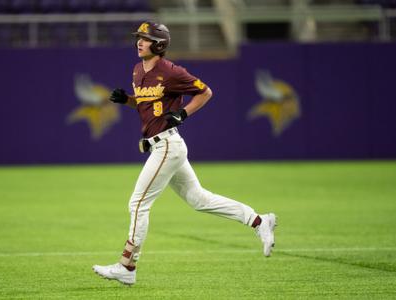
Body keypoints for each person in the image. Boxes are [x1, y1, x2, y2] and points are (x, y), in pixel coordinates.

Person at [92, 21, 277, 286]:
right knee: (199, 199)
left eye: (144, 38)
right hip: (164, 145)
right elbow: (149, 105)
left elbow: (205, 92)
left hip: (167, 145)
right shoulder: (137, 69)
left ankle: (127, 266)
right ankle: (259, 221)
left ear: (159, 44)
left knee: (138, 203)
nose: (139, 42)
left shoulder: (171, 71)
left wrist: (184, 113)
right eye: (138, 38)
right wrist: (128, 101)